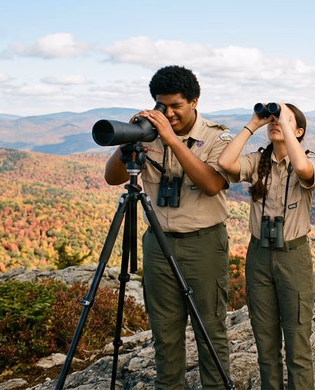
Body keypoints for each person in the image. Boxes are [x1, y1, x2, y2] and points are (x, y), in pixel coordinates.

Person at [104, 65, 232, 389]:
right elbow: (112, 177)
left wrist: (171, 140)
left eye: (177, 106)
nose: (170, 113)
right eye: (163, 106)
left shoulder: (217, 137)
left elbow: (212, 184)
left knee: (209, 332)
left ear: (194, 101)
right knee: (165, 333)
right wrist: (131, 139)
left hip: (203, 244)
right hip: (159, 244)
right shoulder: (152, 133)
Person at [217, 102, 315, 390]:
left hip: (293, 256)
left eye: (285, 120)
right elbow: (225, 163)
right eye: (273, 120)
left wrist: (285, 124)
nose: (275, 122)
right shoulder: (257, 161)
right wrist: (253, 123)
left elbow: (302, 169)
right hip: (259, 255)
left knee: (298, 344)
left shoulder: (310, 160)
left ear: (298, 130)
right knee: (265, 342)